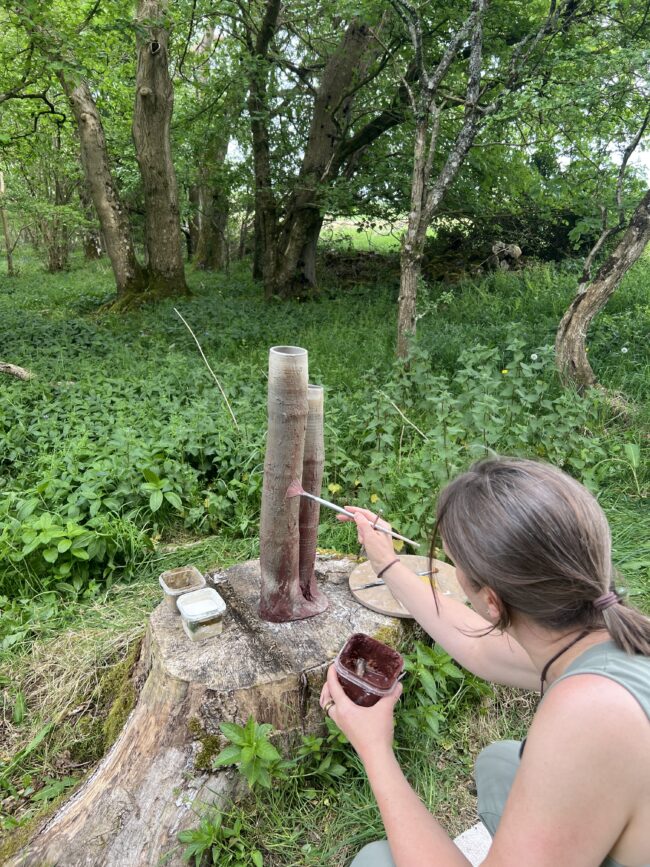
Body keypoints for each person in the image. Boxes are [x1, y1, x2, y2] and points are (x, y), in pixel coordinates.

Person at [319, 457, 650, 867]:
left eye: (456, 565)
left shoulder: (589, 716)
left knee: (377, 860)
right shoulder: (614, 636)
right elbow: (477, 647)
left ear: (492, 601)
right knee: (501, 764)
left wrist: (374, 749)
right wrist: (386, 563)